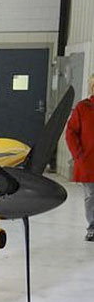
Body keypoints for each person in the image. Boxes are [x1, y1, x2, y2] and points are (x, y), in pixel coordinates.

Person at [65, 74, 94, 242]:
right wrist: (78, 155)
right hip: (88, 162)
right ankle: (92, 227)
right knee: (91, 195)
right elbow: (70, 133)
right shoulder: (83, 108)